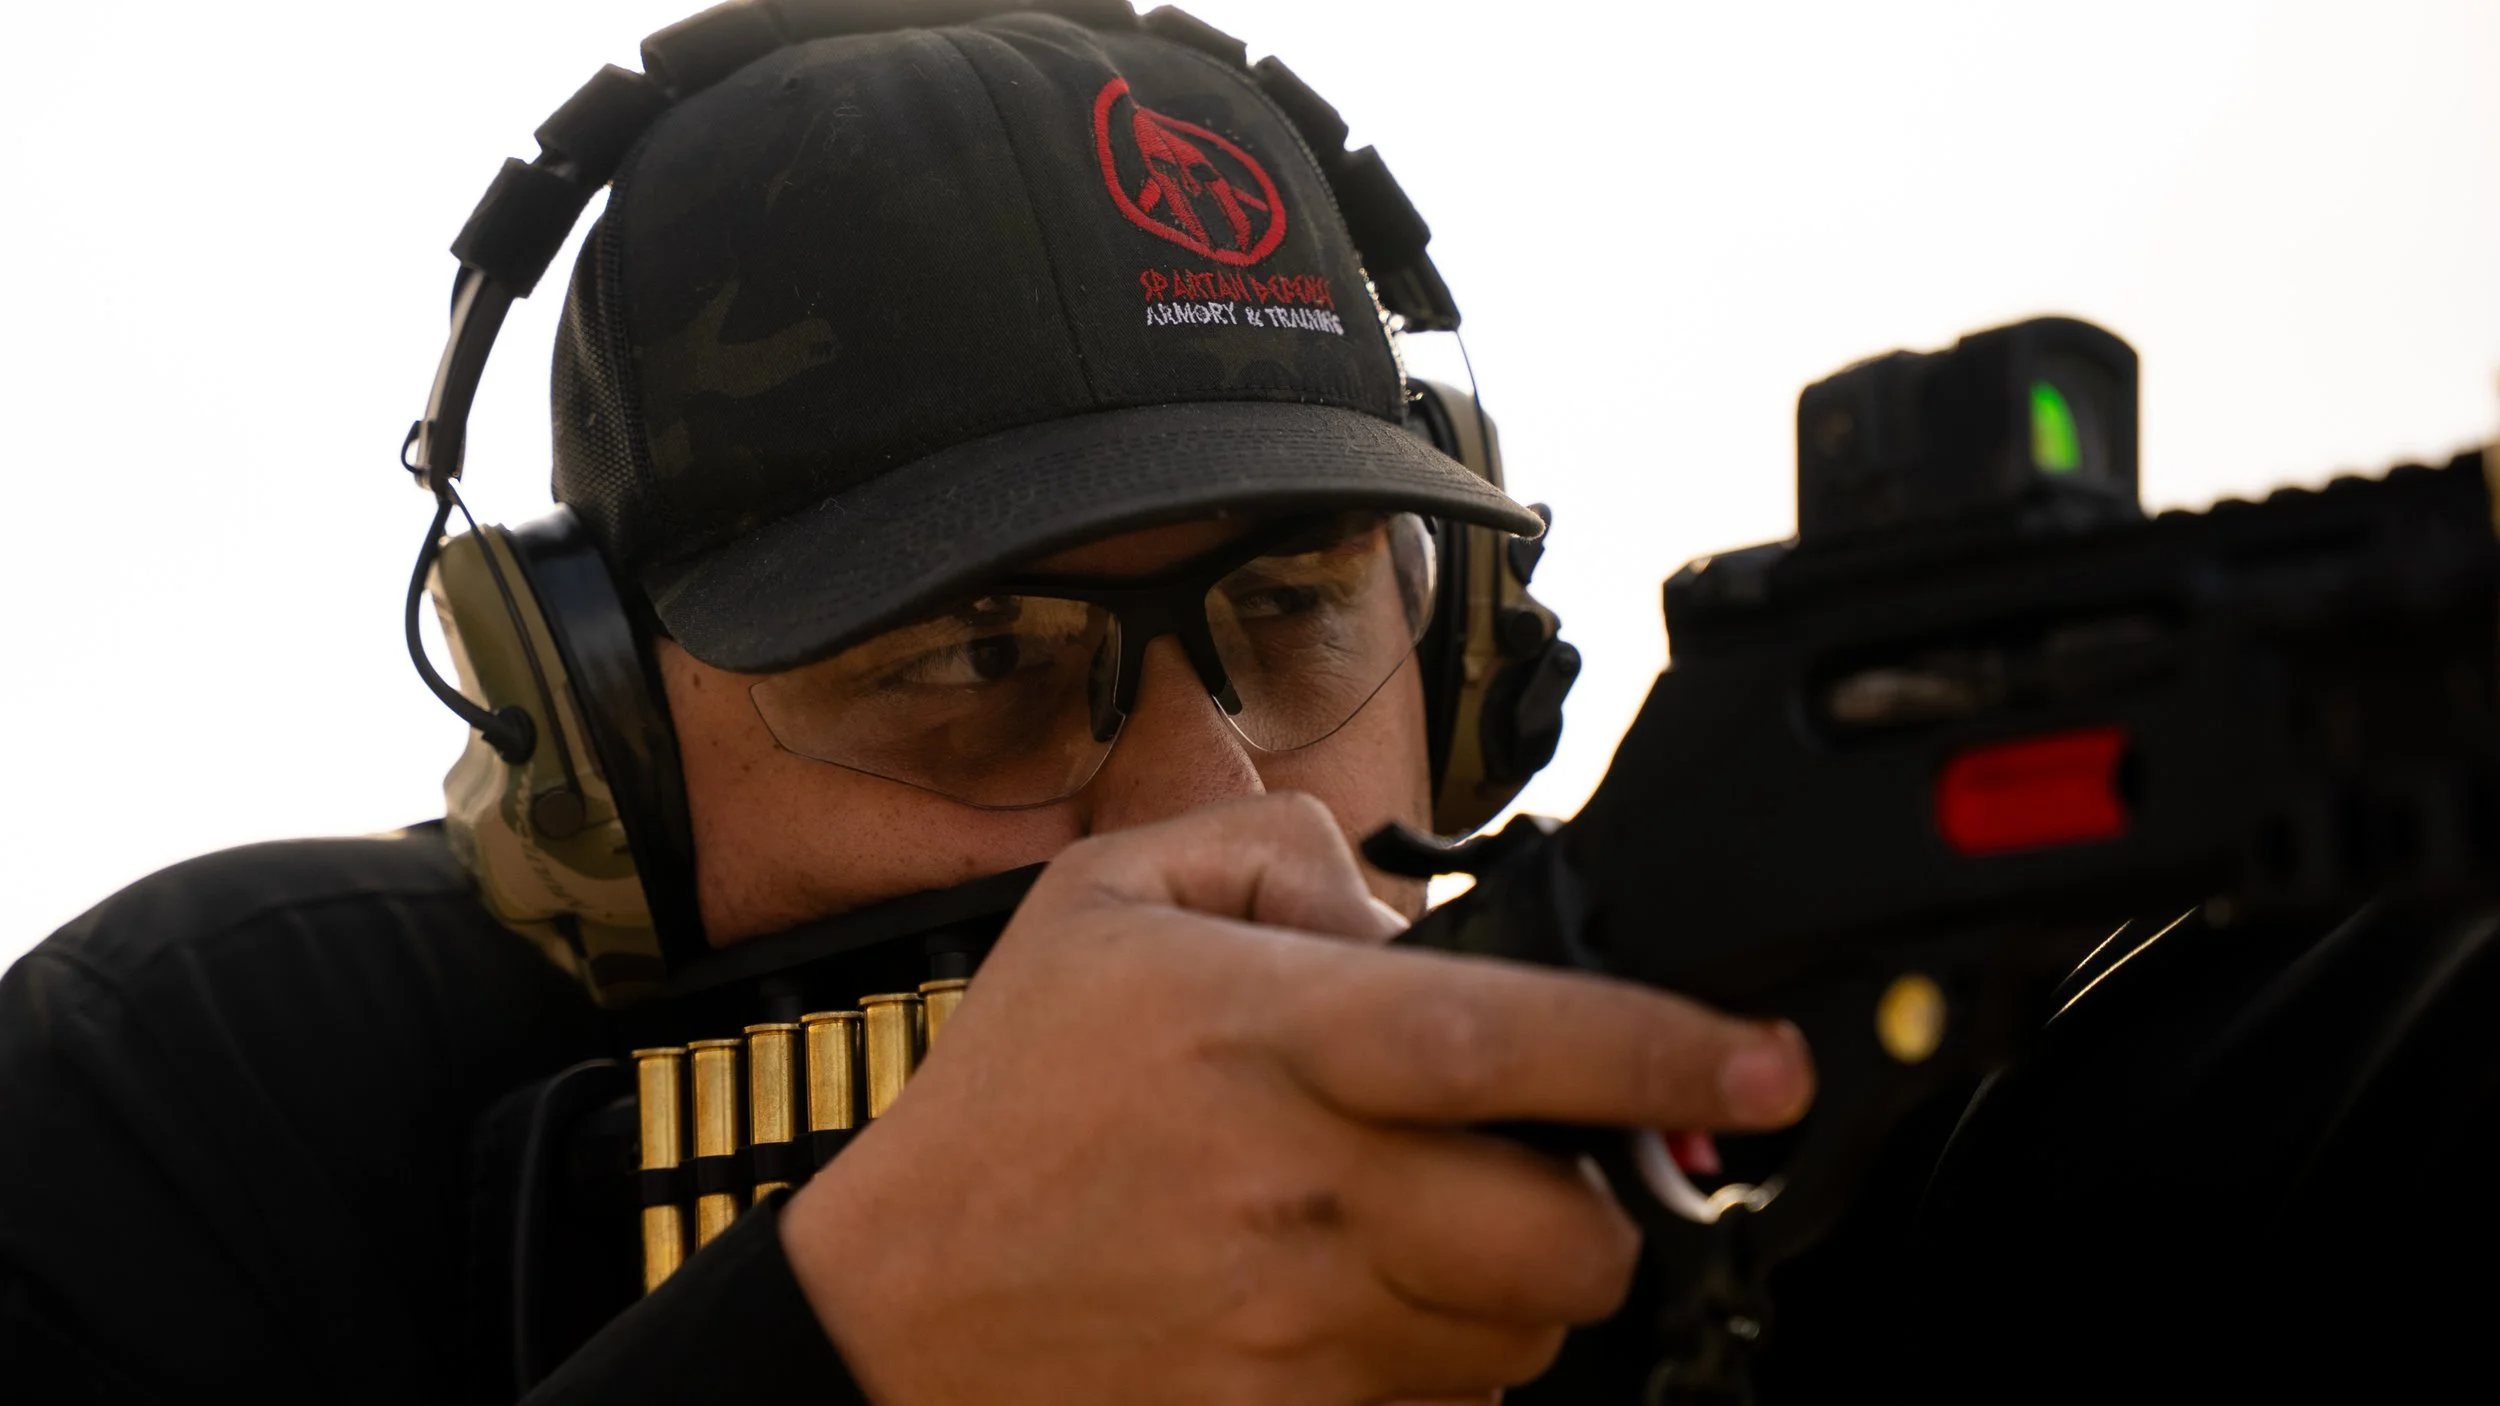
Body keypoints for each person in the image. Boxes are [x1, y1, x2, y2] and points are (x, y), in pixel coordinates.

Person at [0, 7, 1814, 1404]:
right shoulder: (198, 1105)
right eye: (975, 659)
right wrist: (839, 1343)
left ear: (1467, 656)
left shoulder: (1709, 1160)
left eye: (1291, 608)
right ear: (599, 745)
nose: (1222, 818)